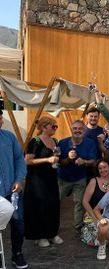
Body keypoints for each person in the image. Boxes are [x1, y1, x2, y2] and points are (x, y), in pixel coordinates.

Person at [24, 116, 62, 248]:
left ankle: (52, 233)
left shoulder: (55, 141)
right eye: (53, 126)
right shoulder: (35, 141)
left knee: (53, 204)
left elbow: (57, 157)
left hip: (51, 177)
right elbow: (28, 160)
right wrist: (47, 160)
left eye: (56, 126)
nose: (55, 129)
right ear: (44, 127)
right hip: (37, 179)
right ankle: (40, 235)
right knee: (40, 205)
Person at [58, 120, 98, 232]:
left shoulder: (89, 143)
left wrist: (84, 161)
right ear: (71, 129)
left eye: (80, 128)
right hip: (63, 178)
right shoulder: (62, 143)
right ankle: (53, 225)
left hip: (80, 178)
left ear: (84, 130)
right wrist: (68, 159)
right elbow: (60, 162)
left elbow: (93, 161)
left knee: (79, 202)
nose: (77, 130)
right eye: (75, 128)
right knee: (56, 201)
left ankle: (78, 227)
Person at [0, 109, 28, 268]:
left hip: (13, 191)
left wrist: (19, 180)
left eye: (0, 118)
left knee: (18, 223)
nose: (1, 121)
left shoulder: (9, 137)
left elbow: (19, 160)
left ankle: (17, 253)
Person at [80, 160, 109, 247]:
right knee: (99, 239)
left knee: (108, 235)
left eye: (105, 167)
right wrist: (95, 218)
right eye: (100, 168)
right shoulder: (93, 181)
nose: (102, 170)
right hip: (94, 215)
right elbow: (85, 201)